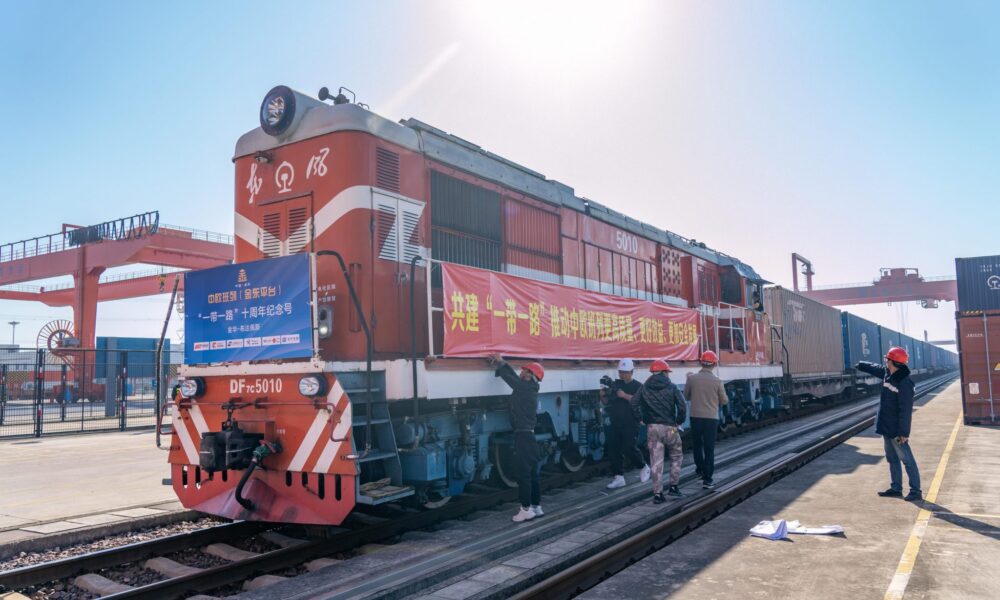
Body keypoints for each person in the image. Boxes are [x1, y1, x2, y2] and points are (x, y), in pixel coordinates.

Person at [856, 347, 922, 501]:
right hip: (887, 427)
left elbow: (905, 411)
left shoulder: (904, 383)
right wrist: (861, 364)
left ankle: (916, 490)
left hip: (897, 431)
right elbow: (876, 368)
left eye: (887, 359)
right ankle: (896, 488)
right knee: (892, 459)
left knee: (907, 459)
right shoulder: (889, 374)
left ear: (892, 362)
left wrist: (904, 433)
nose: (885, 361)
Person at [488, 353, 545, 522]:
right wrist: (503, 364)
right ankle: (536, 506)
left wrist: (501, 363)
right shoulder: (529, 389)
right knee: (533, 473)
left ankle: (525, 509)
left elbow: (511, 379)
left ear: (531, 376)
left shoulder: (525, 389)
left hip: (523, 437)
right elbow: (515, 379)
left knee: (523, 474)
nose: (522, 373)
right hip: (529, 436)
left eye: (526, 371)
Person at [633, 359, 687, 503]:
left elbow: (634, 403)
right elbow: (682, 406)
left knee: (656, 462)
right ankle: (674, 486)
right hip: (670, 428)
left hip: (653, 428)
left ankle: (658, 495)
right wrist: (679, 421)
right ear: (664, 372)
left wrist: (641, 418)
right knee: (676, 455)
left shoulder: (644, 387)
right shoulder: (672, 387)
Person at [602, 359, 652, 489]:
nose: (622, 375)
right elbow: (607, 402)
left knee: (628, 447)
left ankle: (643, 466)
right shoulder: (616, 385)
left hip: (631, 422)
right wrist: (602, 395)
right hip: (615, 421)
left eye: (625, 372)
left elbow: (640, 402)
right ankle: (618, 477)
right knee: (613, 448)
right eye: (620, 372)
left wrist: (624, 395)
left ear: (631, 372)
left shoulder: (638, 386)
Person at [685, 350, 728, 489]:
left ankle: (700, 469)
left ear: (701, 363)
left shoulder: (692, 379)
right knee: (709, 448)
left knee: (697, 445)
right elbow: (724, 401)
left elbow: (686, 396)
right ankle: (708, 478)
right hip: (711, 418)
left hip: (695, 417)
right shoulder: (717, 381)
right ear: (714, 364)